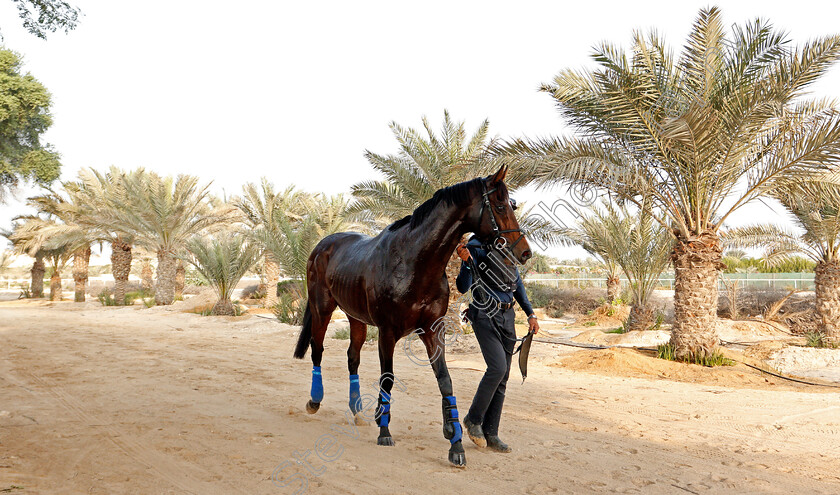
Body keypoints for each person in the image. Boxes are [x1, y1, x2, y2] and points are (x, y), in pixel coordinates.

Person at [455, 234, 539, 453]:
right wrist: (465, 263)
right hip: (484, 315)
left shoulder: (507, 251)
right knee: (497, 368)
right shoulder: (477, 247)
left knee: (503, 376)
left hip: (507, 316)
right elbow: (463, 286)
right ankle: (473, 419)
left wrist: (531, 314)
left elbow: (518, 285)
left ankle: (491, 433)